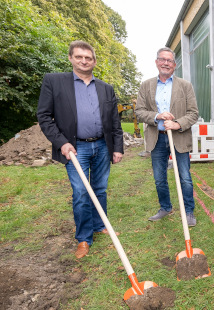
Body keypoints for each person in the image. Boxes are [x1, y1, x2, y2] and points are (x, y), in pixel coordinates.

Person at [37, 40, 124, 259]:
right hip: (75, 148)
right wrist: (61, 142)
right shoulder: (55, 82)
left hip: (103, 145)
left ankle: (99, 224)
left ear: (94, 61)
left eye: (88, 58)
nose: (84, 61)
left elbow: (114, 121)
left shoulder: (105, 88)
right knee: (81, 192)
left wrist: (117, 147)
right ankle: (84, 238)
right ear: (70, 58)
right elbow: (44, 116)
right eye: (79, 57)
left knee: (100, 188)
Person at [135, 48, 199, 224]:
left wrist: (178, 123)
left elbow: (193, 113)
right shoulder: (146, 85)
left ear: (174, 65)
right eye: (162, 59)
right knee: (159, 177)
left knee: (185, 177)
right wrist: (157, 116)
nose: (165, 63)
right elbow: (139, 112)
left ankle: (188, 211)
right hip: (157, 137)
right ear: (156, 62)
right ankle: (165, 207)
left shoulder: (185, 86)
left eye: (169, 60)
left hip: (179, 137)